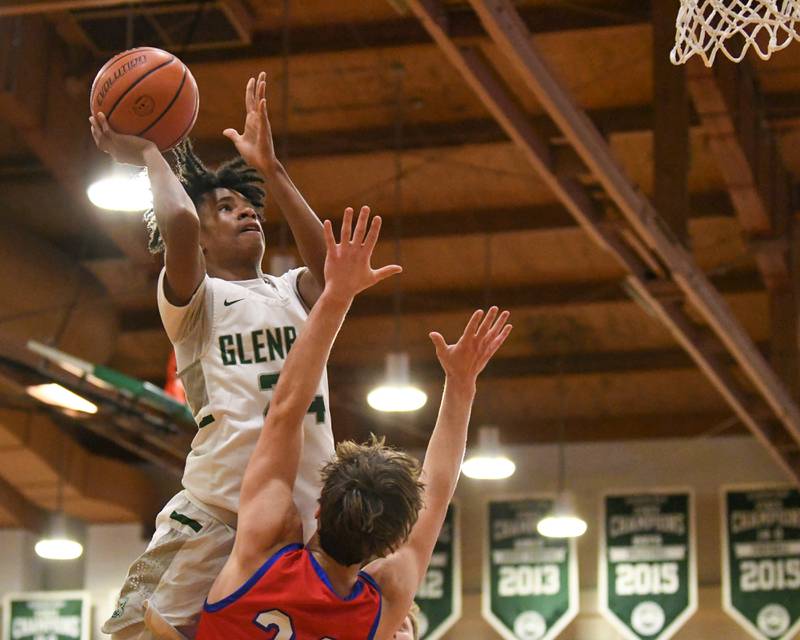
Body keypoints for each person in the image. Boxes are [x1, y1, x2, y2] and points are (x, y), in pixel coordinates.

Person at [89, 72, 334, 639]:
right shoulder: (197, 302)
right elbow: (175, 219)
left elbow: (333, 272)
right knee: (133, 634)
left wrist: (272, 169)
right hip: (216, 510)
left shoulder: (292, 292)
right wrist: (150, 150)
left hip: (307, 521)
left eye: (249, 204)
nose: (246, 211)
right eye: (225, 208)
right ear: (199, 236)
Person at [195, 206, 512, 639]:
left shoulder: (266, 545)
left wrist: (338, 295)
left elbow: (286, 408)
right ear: (389, 545)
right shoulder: (383, 607)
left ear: (319, 508)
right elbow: (436, 494)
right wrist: (461, 385)